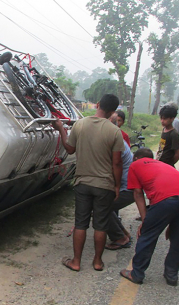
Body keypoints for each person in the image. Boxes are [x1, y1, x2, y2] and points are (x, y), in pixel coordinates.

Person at [53, 94, 124, 272]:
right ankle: (97, 262)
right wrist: (116, 186)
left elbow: (70, 149)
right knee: (101, 225)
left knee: (80, 223)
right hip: (105, 185)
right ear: (113, 111)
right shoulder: (115, 131)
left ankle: (76, 262)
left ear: (98, 104)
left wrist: (61, 129)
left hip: (83, 182)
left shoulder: (80, 124)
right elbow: (117, 163)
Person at [119, 148, 179, 286]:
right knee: (177, 237)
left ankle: (136, 274)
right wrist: (171, 222)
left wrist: (145, 221)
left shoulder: (135, 165)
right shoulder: (162, 165)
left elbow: (138, 194)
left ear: (136, 159)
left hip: (166, 201)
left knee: (147, 235)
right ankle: (172, 275)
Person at [105, 112, 135, 250]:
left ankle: (120, 238)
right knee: (108, 207)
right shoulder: (117, 138)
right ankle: (124, 234)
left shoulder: (114, 141)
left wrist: (116, 187)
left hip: (128, 188)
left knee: (102, 207)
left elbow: (115, 165)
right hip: (131, 186)